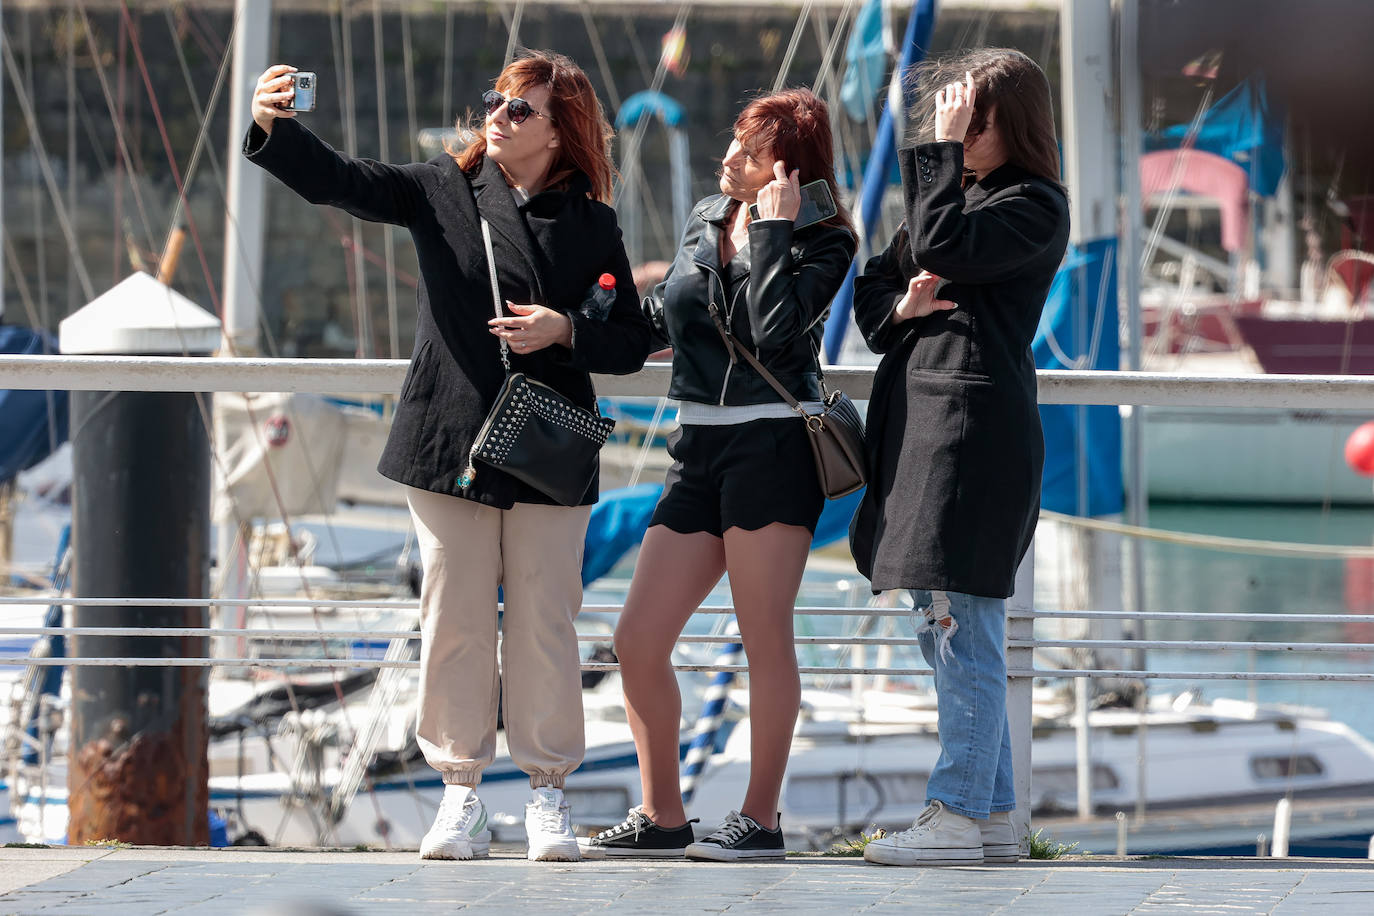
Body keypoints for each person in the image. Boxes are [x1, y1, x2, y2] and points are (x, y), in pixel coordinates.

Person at [245, 50, 651, 862]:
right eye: (495, 100)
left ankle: (547, 798)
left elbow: (632, 340)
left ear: (560, 132)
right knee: (454, 620)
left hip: (549, 442)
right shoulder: (443, 188)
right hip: (450, 439)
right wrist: (271, 125)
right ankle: (459, 795)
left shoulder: (591, 223)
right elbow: (344, 182)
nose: (498, 115)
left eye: (521, 109)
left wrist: (564, 329)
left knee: (546, 622)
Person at [583, 89, 856, 861]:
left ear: (786, 165)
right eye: (732, 142)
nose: (728, 158)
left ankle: (760, 822)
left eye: (746, 148)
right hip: (695, 446)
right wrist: (575, 323)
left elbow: (775, 335)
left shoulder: (826, 238)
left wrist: (771, 229)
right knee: (637, 637)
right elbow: (671, 315)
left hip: (773, 448)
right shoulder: (707, 215)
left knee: (765, 638)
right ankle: (663, 816)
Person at [848, 48, 1070, 867]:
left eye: (969, 118)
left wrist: (936, 157)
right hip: (924, 434)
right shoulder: (963, 199)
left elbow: (942, 239)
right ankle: (993, 815)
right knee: (946, 625)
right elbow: (876, 285)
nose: (955, 132)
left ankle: (953, 813)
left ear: (1012, 120)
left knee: (960, 628)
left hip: (972, 439)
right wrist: (904, 304)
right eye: (948, 119)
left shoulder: (1032, 205)